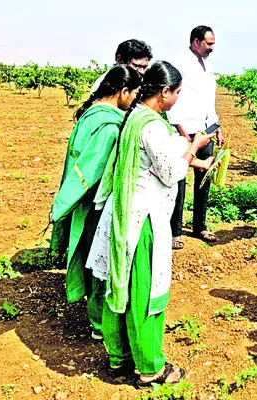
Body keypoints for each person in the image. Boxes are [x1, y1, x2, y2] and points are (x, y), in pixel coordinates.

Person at [85, 60, 215, 386]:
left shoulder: (133, 117)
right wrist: (194, 148)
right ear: (165, 92)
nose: (177, 99)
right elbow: (170, 173)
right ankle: (150, 367)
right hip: (143, 219)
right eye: (177, 93)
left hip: (123, 212)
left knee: (120, 286)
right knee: (145, 293)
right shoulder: (152, 125)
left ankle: (118, 359)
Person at [49, 65, 141, 340]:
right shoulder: (109, 126)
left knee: (86, 253)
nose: (135, 100)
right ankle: (100, 323)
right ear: (123, 92)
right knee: (99, 261)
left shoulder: (90, 114)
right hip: (95, 204)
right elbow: (94, 171)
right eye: (134, 94)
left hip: (80, 201)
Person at [167, 25, 225, 249]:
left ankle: (200, 226)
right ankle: (175, 231)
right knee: (179, 181)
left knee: (204, 176)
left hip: (205, 129)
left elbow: (209, 100)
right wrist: (182, 133)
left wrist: (216, 126)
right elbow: (170, 96)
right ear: (195, 41)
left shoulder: (207, 66)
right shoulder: (178, 62)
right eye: (209, 43)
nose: (212, 47)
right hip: (184, 130)